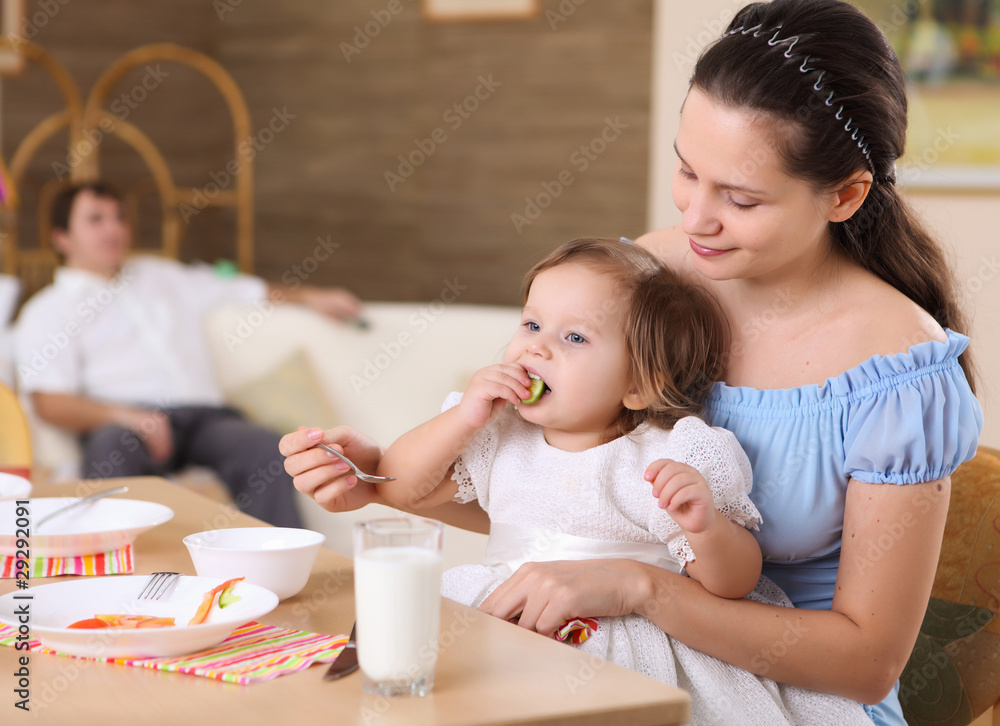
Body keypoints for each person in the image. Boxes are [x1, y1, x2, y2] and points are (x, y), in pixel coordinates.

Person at [281, 1, 984, 723]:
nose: (695, 218)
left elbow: (866, 666)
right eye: (687, 170)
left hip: (785, 701)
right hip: (607, 661)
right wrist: (377, 483)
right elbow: (566, 497)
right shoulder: (653, 278)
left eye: (741, 199)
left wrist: (640, 589)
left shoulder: (899, 372)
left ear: (845, 194)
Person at [373, 237, 872, 724]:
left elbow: (734, 582)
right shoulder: (498, 432)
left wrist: (705, 526)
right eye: (532, 324)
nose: (537, 348)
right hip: (503, 618)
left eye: (574, 338)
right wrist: (462, 418)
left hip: (623, 645)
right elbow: (396, 485)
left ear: (638, 385)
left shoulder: (666, 456)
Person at [14, 181, 363, 528]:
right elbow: (49, 402)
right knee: (111, 450)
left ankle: (281, 556)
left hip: (205, 419)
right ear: (61, 237)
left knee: (266, 449)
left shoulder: (161, 275)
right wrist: (127, 416)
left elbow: (243, 289)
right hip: (127, 424)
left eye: (119, 217)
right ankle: (120, 560)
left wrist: (311, 296)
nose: (114, 229)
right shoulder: (48, 311)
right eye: (96, 219)